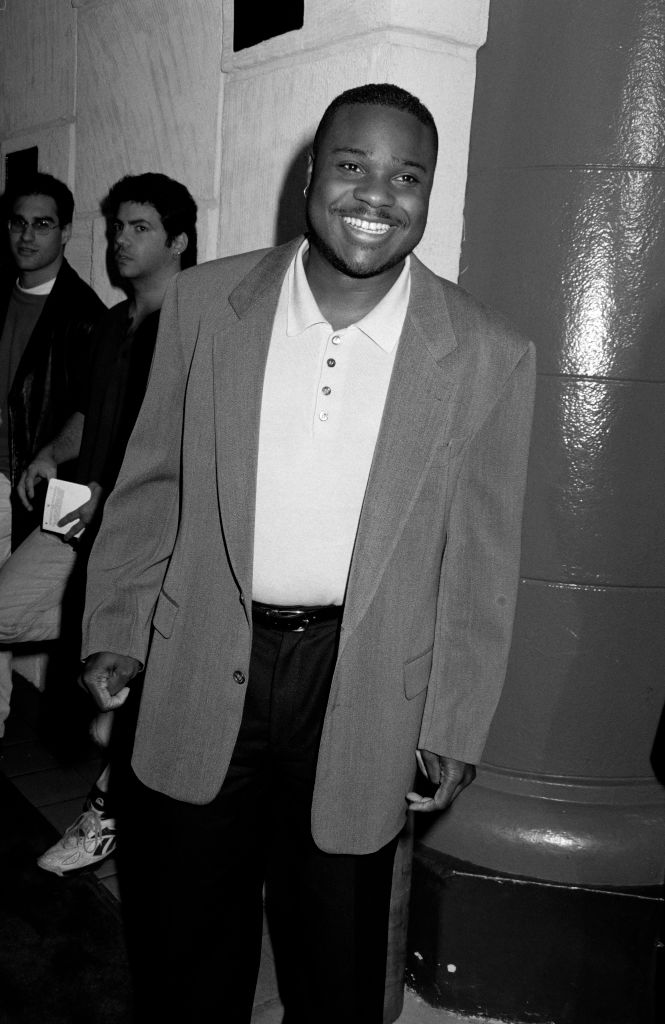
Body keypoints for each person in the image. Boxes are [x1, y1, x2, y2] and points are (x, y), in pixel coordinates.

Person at [80, 84, 536, 1023]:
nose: (378, 193)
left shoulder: (487, 351)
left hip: (361, 682)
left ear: (428, 194)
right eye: (352, 166)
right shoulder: (208, 304)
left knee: (336, 952)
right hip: (204, 652)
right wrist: (118, 625)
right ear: (308, 180)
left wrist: (451, 718)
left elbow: (482, 558)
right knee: (187, 941)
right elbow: (151, 481)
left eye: (407, 175)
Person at [0, 172, 197, 872]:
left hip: (157, 538)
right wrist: (54, 452)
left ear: (178, 240)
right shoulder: (114, 324)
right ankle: (116, 661)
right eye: (117, 227)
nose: (120, 240)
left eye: (138, 227)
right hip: (86, 517)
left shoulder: (201, 325)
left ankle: (107, 815)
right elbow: (87, 411)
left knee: (133, 692)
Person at [0, 172, 105, 747]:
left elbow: (89, 416)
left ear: (65, 232)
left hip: (24, 486)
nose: (27, 235)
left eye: (42, 224)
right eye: (18, 221)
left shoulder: (83, 315)